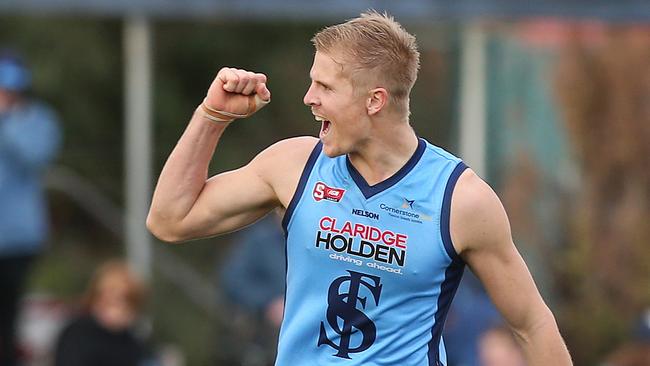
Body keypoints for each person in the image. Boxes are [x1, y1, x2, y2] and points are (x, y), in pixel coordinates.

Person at [147, 11, 572, 366]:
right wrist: (212, 115)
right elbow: (170, 220)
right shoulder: (295, 165)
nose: (308, 98)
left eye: (325, 86)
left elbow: (532, 323)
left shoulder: (460, 199)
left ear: (375, 101)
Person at [0, 49, 62, 366]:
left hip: (17, 239)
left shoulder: (38, 119)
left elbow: (35, 157)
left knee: (8, 316)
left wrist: (8, 121)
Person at [53, 260, 159, 366]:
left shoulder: (133, 345)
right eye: (108, 303)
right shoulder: (77, 335)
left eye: (124, 306)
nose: (115, 312)